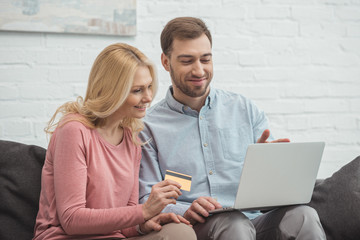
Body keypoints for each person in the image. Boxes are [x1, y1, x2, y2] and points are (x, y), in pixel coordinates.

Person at [138, 17, 326, 240]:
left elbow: (271, 192)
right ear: (166, 62)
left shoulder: (244, 109)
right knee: (233, 223)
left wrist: (273, 168)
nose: (199, 70)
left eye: (205, 59)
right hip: (199, 225)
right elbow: (146, 199)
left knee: (304, 215)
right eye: (187, 61)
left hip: (254, 219)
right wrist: (184, 209)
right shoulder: (149, 126)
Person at [33, 43, 197, 240]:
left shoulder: (131, 139)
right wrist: (143, 211)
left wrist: (142, 226)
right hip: (64, 237)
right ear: (112, 90)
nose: (148, 97)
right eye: (137, 90)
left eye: (149, 87)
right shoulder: (74, 131)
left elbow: (124, 222)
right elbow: (71, 220)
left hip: (112, 236)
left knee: (180, 232)